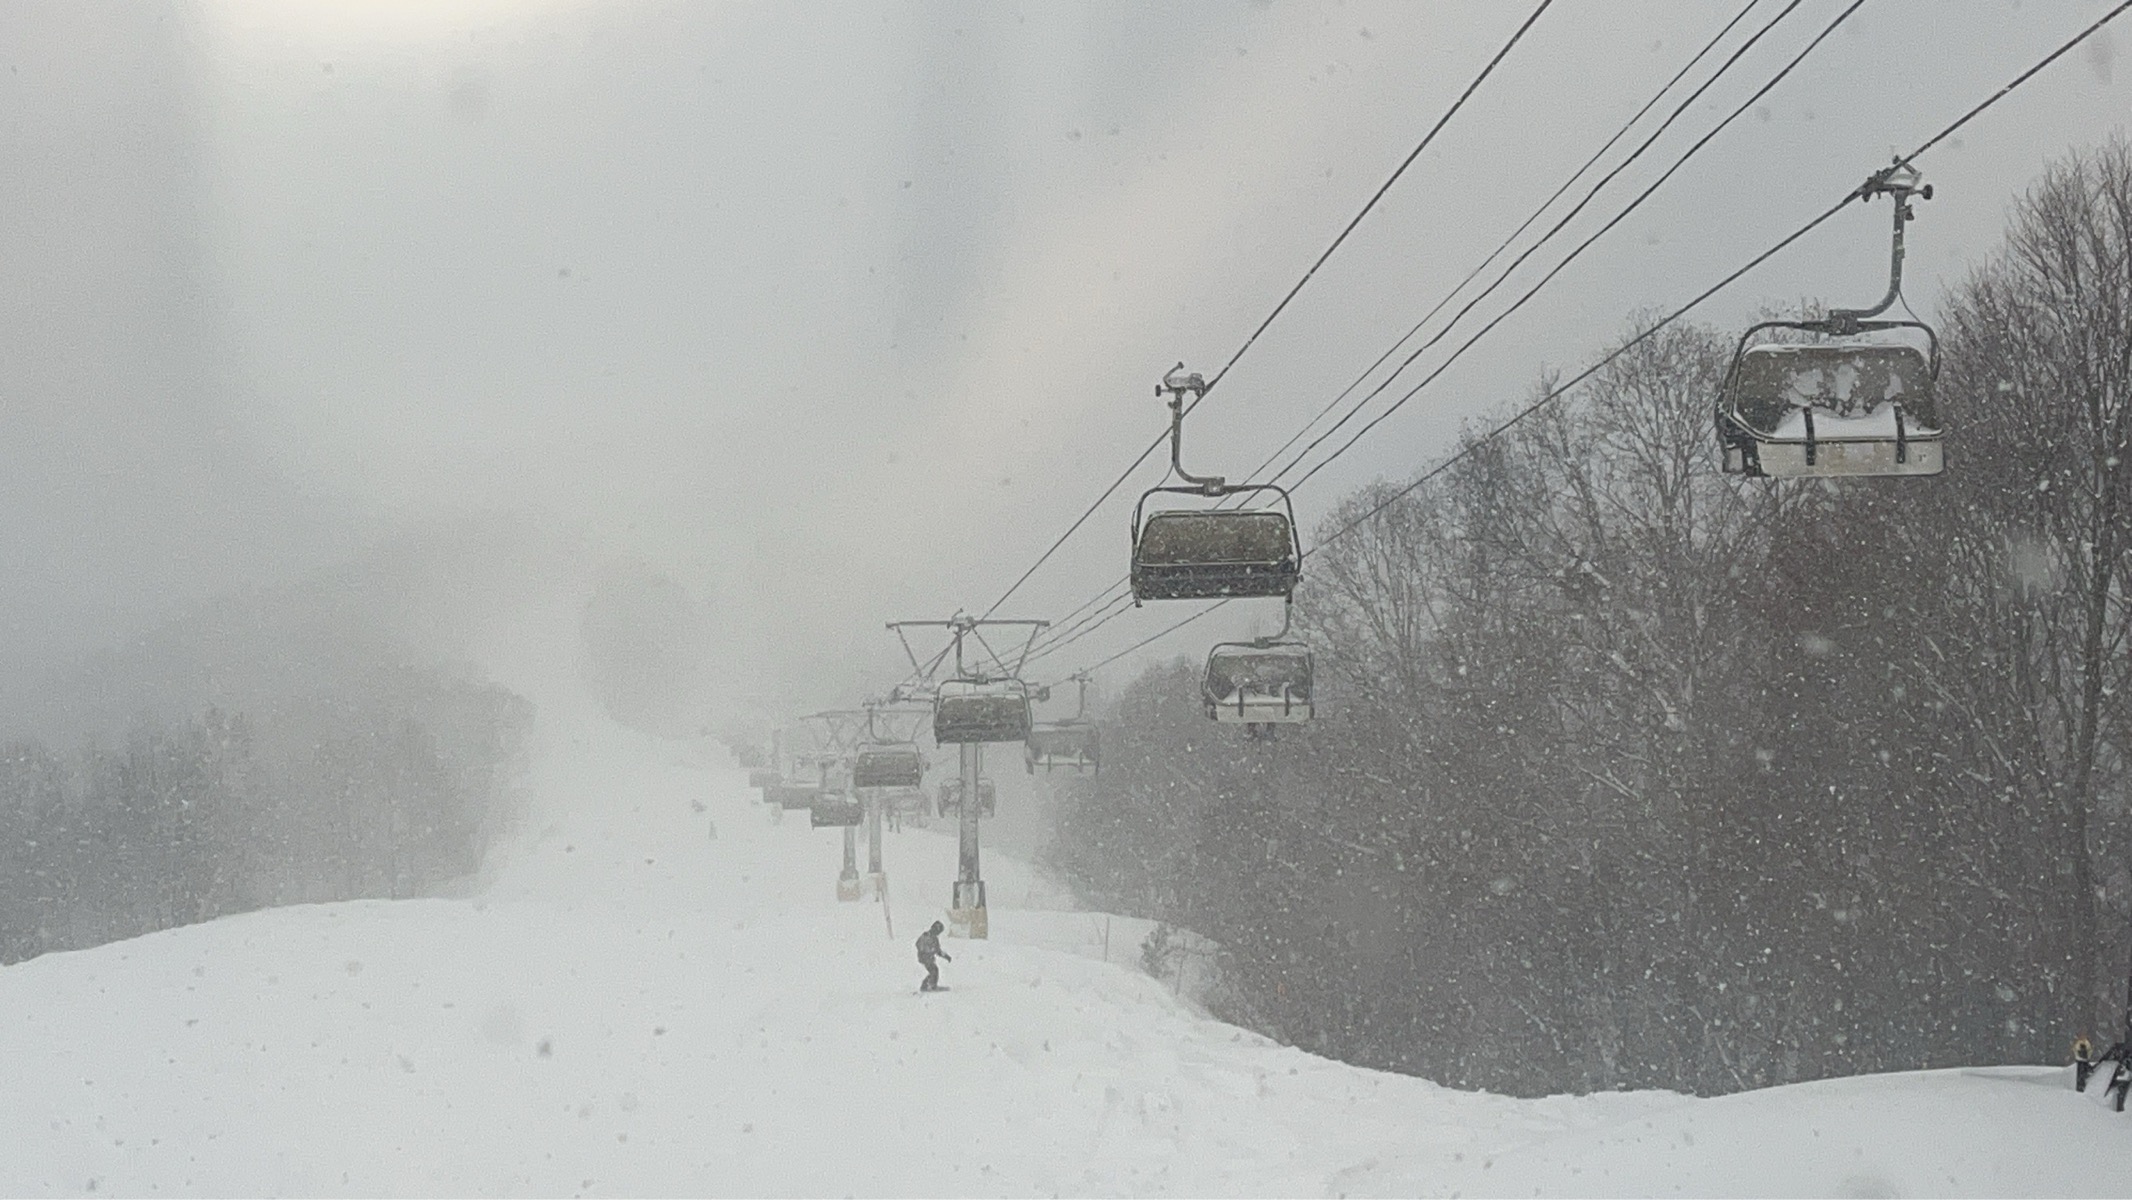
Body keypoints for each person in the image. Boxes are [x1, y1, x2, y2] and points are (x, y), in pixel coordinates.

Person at [916, 920, 952, 991]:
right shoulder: (925, 936)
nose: (938, 934)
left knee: (934, 971)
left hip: (929, 958)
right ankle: (930, 985)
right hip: (924, 958)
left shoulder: (934, 938)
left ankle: (927, 985)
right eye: (938, 931)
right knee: (933, 971)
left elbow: (937, 950)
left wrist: (946, 956)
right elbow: (918, 944)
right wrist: (927, 950)